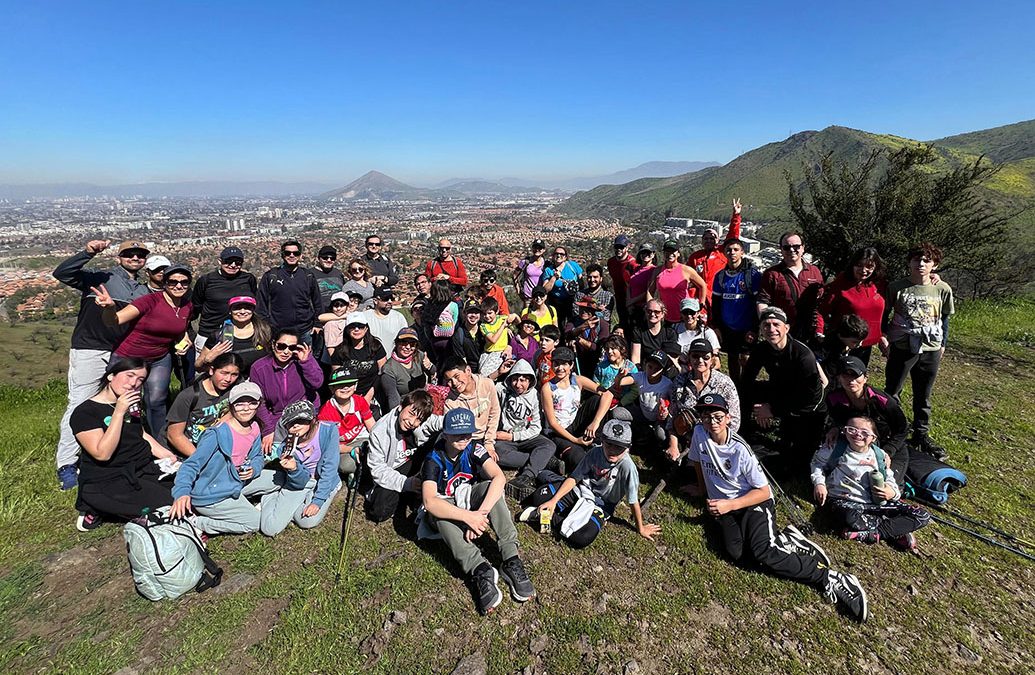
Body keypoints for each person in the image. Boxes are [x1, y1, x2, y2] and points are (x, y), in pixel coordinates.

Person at [687, 393, 868, 622]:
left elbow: (763, 491)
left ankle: (830, 578)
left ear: (728, 418)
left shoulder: (740, 449)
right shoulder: (699, 434)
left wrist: (729, 504)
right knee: (737, 554)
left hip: (753, 502)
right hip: (726, 508)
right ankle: (788, 541)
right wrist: (703, 490)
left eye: (717, 416)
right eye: (705, 416)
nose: (711, 422)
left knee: (764, 552)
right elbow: (697, 461)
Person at [53, 238, 149, 489]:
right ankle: (66, 464)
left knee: (121, 403)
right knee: (80, 402)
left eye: (140, 255)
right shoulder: (99, 277)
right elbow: (62, 273)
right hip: (90, 347)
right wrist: (87, 252)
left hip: (121, 352)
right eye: (129, 254)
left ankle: (111, 450)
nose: (135, 258)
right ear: (119, 257)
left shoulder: (143, 290)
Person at [421, 408, 535, 615]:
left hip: (467, 498)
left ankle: (511, 559)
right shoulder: (433, 458)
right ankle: (480, 570)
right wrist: (468, 517)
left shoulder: (473, 447)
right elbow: (429, 501)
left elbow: (499, 477)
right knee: (439, 516)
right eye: (457, 434)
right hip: (445, 504)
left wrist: (480, 514)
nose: (464, 438)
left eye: (468, 433)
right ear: (445, 434)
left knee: (489, 488)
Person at [70, 358, 177, 531]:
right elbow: (102, 453)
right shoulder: (85, 412)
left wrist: (168, 456)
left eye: (140, 379)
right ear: (111, 375)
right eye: (129, 375)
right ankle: (95, 508)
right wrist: (119, 412)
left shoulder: (131, 403)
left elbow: (140, 433)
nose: (133, 383)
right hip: (108, 479)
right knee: (169, 504)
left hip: (142, 468)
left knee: (187, 488)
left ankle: (122, 506)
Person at [91, 263, 194, 440]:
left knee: (156, 401)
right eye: (173, 282)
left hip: (159, 357)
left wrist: (183, 340)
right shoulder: (149, 301)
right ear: (164, 283)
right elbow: (114, 320)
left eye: (184, 282)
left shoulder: (186, 305)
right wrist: (109, 308)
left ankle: (160, 441)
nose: (179, 286)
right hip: (130, 357)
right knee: (123, 400)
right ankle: (113, 438)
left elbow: (179, 329)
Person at [522, 417, 659, 548]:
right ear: (602, 441)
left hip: (602, 505)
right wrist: (554, 501)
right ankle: (558, 511)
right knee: (539, 496)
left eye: (619, 447)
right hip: (582, 490)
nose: (613, 451)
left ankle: (548, 517)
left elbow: (633, 501)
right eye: (609, 445)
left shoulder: (628, 467)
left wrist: (640, 528)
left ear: (628, 448)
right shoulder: (595, 452)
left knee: (583, 537)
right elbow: (575, 477)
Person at [169, 381, 281, 536]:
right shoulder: (216, 434)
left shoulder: (254, 427)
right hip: (212, 493)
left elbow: (257, 456)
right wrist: (182, 493)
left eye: (252, 403)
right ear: (231, 405)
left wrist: (254, 469)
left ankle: (244, 504)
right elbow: (191, 465)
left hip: (237, 480)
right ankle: (197, 522)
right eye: (240, 404)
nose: (246, 408)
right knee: (254, 522)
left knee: (280, 478)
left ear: (258, 405)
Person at [811, 415, 930, 551]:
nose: (858, 434)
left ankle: (874, 534)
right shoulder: (835, 448)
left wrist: (892, 492)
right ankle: (894, 529)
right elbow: (817, 464)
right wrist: (819, 483)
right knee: (848, 516)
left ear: (873, 438)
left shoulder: (879, 455)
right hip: (844, 502)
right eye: (852, 430)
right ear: (844, 431)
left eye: (865, 432)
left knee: (922, 515)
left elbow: (889, 477)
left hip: (875, 504)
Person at [882, 242, 955, 460]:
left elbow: (944, 320)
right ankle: (892, 429)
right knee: (893, 390)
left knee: (923, 394)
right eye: (917, 260)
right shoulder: (897, 287)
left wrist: (943, 345)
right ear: (909, 262)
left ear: (935, 265)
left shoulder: (942, 289)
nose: (921, 264)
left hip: (930, 347)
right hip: (902, 347)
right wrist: (884, 338)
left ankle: (921, 434)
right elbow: (884, 315)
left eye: (926, 260)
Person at [741, 307, 826, 473]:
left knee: (797, 461)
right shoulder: (761, 349)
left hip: (808, 405)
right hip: (780, 391)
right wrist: (759, 407)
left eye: (776, 324)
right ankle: (744, 431)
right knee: (745, 392)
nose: (771, 329)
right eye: (766, 325)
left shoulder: (803, 355)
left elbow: (809, 397)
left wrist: (772, 410)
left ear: (786, 328)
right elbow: (746, 380)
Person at [261, 401, 342, 535]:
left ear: (313, 419)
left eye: (301, 420)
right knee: (270, 528)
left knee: (306, 521)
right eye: (290, 423)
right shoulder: (284, 448)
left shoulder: (328, 431)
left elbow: (330, 467)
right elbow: (300, 482)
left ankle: (313, 497)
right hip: (301, 483)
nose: (296, 425)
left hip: (324, 480)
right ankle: (270, 497)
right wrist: (293, 469)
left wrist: (318, 501)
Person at [826, 355, 910, 479]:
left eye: (855, 375)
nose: (851, 380)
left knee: (882, 482)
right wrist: (835, 427)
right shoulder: (833, 398)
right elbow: (837, 418)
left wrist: (888, 451)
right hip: (855, 444)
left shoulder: (883, 401)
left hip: (887, 445)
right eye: (845, 375)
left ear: (865, 378)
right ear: (838, 378)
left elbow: (903, 429)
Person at [365, 390, 436, 523]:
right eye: (411, 414)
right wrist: (406, 483)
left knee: (441, 437)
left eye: (418, 420)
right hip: (392, 469)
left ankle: (418, 491)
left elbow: (438, 421)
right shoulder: (379, 431)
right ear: (401, 406)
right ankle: (410, 493)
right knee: (379, 512)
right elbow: (378, 470)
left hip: (413, 460)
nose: (412, 422)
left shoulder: (420, 419)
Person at [250, 328, 324, 452]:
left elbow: (317, 383)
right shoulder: (259, 368)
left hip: (304, 414)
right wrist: (268, 430)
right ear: (273, 345)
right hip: (277, 416)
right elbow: (259, 401)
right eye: (281, 346)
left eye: (291, 347)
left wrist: (306, 362)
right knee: (273, 452)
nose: (286, 351)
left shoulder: (301, 361)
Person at [667, 338, 742, 461]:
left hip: (716, 439)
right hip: (686, 437)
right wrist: (673, 445)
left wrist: (716, 442)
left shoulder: (725, 383)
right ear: (689, 358)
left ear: (712, 358)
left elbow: (734, 421)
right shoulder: (679, 381)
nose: (700, 361)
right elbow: (672, 415)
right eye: (695, 356)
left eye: (705, 357)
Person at [540, 347, 610, 471]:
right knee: (580, 460)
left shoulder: (578, 380)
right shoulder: (548, 388)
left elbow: (607, 394)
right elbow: (552, 423)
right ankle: (559, 460)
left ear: (571, 365)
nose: (560, 368)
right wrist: (576, 440)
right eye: (556, 364)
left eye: (564, 364)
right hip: (559, 432)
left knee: (597, 400)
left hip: (575, 423)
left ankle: (596, 441)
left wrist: (595, 422)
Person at [494, 359, 556, 496]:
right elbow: (482, 383)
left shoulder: (535, 396)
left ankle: (527, 475)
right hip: (505, 440)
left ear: (530, 381)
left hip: (525, 436)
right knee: (496, 452)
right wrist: (498, 372)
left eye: (523, 380)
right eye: (515, 379)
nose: (518, 384)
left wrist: (513, 436)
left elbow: (535, 427)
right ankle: (544, 461)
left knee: (548, 445)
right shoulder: (503, 390)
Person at [818, 247, 886, 366]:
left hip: (866, 344)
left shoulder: (878, 284)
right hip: (844, 343)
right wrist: (819, 331)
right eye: (859, 265)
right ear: (853, 265)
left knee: (857, 380)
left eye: (869, 266)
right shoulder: (841, 284)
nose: (864, 270)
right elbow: (822, 311)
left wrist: (881, 336)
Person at [166, 352, 243, 457]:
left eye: (234, 375)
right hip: (184, 451)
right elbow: (174, 435)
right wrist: (200, 458)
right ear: (211, 370)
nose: (228, 379)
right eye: (224, 373)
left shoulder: (235, 388)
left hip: (211, 445)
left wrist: (224, 419)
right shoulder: (189, 395)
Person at [757, 232, 825, 343]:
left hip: (811, 332)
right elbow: (762, 301)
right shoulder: (772, 274)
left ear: (803, 248)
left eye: (796, 246)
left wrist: (820, 329)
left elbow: (821, 302)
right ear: (781, 250)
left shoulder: (814, 272)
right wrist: (768, 326)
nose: (792, 250)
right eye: (787, 247)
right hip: (784, 333)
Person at [190, 246, 258, 357]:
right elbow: (195, 307)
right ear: (220, 261)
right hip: (209, 332)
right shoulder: (206, 280)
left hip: (239, 334)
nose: (233, 265)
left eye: (238, 262)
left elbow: (254, 302)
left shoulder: (248, 279)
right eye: (228, 261)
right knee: (204, 368)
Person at [711, 238, 761, 384]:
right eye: (729, 250)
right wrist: (717, 326)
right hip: (728, 328)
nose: (732, 252)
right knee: (732, 359)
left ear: (742, 252)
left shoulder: (752, 275)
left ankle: (747, 389)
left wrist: (754, 328)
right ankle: (735, 388)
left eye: (735, 249)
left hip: (747, 328)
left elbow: (758, 303)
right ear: (724, 253)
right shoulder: (720, 276)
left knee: (746, 360)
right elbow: (716, 304)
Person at [606, 350, 674, 450]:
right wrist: (620, 376)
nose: (652, 371)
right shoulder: (641, 376)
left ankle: (657, 445)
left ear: (663, 370)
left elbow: (673, 402)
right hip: (642, 413)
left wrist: (666, 411)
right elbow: (621, 382)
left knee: (661, 436)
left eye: (657, 369)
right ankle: (638, 430)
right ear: (645, 365)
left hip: (658, 418)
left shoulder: (667, 384)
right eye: (650, 367)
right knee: (617, 413)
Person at [435, 358, 502, 458]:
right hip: (467, 441)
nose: (454, 383)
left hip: (487, 436)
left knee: (506, 456)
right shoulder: (450, 403)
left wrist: (489, 443)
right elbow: (454, 433)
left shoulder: (487, 384)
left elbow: (494, 413)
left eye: (456, 376)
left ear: (468, 371)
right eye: (449, 380)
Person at [257, 240, 322, 340]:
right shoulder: (271, 276)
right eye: (288, 253)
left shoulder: (308, 276)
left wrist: (317, 324)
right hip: (278, 331)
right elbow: (261, 304)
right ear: (282, 255)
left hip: (305, 330)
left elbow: (317, 302)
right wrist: (267, 326)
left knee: (306, 356)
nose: (292, 256)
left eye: (296, 253)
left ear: (300, 256)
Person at [318, 367, 376, 478]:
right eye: (340, 385)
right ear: (332, 388)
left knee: (375, 452)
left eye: (349, 384)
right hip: (342, 447)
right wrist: (352, 450)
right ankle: (359, 471)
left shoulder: (360, 401)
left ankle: (363, 472)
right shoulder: (325, 413)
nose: (345, 388)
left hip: (362, 439)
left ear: (355, 386)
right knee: (345, 466)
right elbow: (330, 445)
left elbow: (371, 425)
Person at [687, 199, 743, 309]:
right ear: (702, 241)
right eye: (706, 238)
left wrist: (736, 215)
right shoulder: (695, 257)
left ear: (717, 240)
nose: (709, 240)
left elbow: (733, 236)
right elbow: (687, 278)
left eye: (712, 238)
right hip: (700, 300)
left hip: (719, 297)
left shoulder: (722, 253)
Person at [195, 295, 270, 377]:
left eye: (247, 308)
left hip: (260, 380)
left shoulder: (266, 332)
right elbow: (198, 367)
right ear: (230, 311)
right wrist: (207, 360)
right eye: (237, 308)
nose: (242, 311)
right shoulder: (218, 335)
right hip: (229, 383)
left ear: (253, 310)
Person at [329, 312, 387, 406]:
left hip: (373, 393)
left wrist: (368, 397)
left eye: (360, 326)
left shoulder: (376, 346)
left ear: (366, 328)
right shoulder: (339, 351)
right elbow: (337, 379)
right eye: (352, 326)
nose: (356, 329)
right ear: (347, 329)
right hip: (348, 396)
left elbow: (383, 372)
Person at [648, 239, 708, 325]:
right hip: (664, 317)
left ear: (678, 253)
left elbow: (702, 285)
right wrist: (650, 309)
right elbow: (650, 291)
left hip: (685, 316)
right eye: (667, 251)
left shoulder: (686, 270)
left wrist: (700, 305)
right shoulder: (658, 271)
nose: (670, 254)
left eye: (673, 251)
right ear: (663, 253)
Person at [378, 327, 435, 411]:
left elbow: (433, 371)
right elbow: (393, 398)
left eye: (412, 344)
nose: (408, 347)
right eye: (404, 342)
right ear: (397, 343)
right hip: (404, 408)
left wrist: (430, 366)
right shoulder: (388, 369)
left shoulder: (420, 356)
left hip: (424, 403)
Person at [310, 245, 346, 360]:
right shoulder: (310, 274)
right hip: (319, 319)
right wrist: (316, 322)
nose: (329, 260)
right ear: (318, 258)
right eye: (325, 257)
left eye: (332, 258)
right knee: (318, 353)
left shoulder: (338, 274)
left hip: (338, 318)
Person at [629, 299, 680, 368]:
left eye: (657, 312)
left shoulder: (670, 333)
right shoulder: (638, 331)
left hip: (664, 368)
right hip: (645, 368)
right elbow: (635, 358)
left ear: (662, 314)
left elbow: (672, 358)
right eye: (649, 311)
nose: (652, 314)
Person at [542, 245, 582, 329]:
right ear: (553, 256)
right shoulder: (548, 270)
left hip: (572, 300)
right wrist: (553, 278)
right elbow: (545, 289)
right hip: (556, 302)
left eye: (561, 254)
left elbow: (581, 281)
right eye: (556, 253)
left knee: (574, 323)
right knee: (559, 325)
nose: (559, 255)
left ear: (565, 257)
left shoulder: (573, 266)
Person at [566, 298, 608, 377]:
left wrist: (580, 340)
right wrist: (583, 327)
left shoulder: (602, 324)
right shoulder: (573, 321)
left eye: (587, 309)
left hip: (596, 363)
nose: (584, 311)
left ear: (594, 311)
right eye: (581, 308)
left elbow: (600, 347)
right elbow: (567, 335)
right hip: (577, 361)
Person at [606, 234, 640, 331]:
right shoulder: (611, 262)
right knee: (623, 323)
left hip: (632, 300)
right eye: (616, 247)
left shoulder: (633, 264)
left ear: (627, 248)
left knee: (633, 327)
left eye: (621, 247)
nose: (618, 249)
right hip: (619, 299)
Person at [674, 297, 720, 365]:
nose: (689, 316)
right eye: (685, 312)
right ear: (681, 313)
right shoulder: (674, 329)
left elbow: (716, 361)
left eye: (692, 312)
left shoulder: (707, 332)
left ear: (698, 313)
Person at [364, 287, 408, 353]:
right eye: (386, 299)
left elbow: (405, 339)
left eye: (391, 298)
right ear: (375, 301)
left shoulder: (399, 317)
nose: (390, 301)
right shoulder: (365, 317)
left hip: (392, 360)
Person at [573, 264, 615, 331]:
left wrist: (586, 311)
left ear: (601, 278)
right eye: (590, 277)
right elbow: (576, 314)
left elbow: (606, 317)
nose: (592, 280)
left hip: (600, 331)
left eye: (595, 277)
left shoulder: (608, 296)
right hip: (581, 330)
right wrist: (597, 309)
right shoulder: (579, 294)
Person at [625, 242, 657, 332]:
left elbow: (650, 291)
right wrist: (629, 302)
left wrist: (631, 301)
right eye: (643, 253)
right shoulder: (636, 269)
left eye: (648, 253)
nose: (645, 255)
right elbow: (629, 286)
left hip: (643, 308)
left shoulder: (653, 270)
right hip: (632, 307)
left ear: (653, 254)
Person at [513, 238, 549, 308]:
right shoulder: (525, 262)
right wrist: (518, 290)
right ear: (532, 248)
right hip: (528, 297)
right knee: (528, 317)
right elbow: (515, 274)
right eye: (535, 247)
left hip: (542, 297)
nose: (537, 249)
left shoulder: (546, 264)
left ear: (544, 250)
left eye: (540, 248)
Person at [316, 291, 350, 360]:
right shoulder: (330, 324)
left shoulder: (351, 316)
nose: (338, 308)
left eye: (342, 305)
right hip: (335, 359)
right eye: (336, 306)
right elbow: (330, 347)